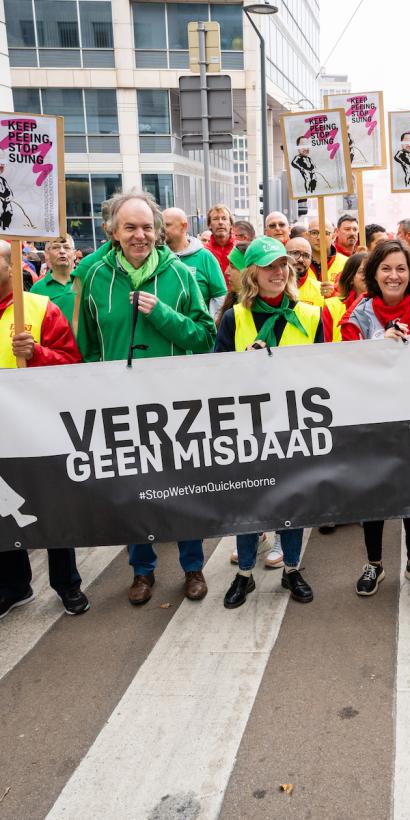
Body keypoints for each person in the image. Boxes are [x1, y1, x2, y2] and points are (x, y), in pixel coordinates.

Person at [79, 191, 216, 605]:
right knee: (135, 491)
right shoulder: (91, 272)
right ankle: (142, 572)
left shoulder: (181, 274)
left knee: (183, 488)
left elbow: (205, 336)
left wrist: (162, 314)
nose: (140, 235)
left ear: (158, 231)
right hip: (119, 405)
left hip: (176, 404)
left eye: (147, 227)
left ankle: (193, 567)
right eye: (130, 227)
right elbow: (86, 346)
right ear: (112, 231)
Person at [214, 236, 322, 607]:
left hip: (295, 427)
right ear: (253, 275)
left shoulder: (310, 315)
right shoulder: (234, 317)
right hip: (249, 427)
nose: (278, 272)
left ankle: (292, 569)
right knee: (248, 501)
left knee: (293, 502)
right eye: (269, 267)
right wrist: (244, 363)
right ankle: (244, 574)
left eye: (282, 266)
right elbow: (217, 376)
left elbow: (325, 375)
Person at [341, 240, 410, 596]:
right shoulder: (355, 317)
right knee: (375, 493)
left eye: (401, 268)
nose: (394, 275)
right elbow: (347, 370)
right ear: (373, 274)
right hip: (372, 420)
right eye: (386, 268)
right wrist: (380, 348)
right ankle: (374, 564)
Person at [0, 239, 90, 618]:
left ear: (11, 265)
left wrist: (36, 353)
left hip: (37, 429)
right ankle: (14, 587)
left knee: (51, 508)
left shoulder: (39, 308)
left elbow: (71, 363)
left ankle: (67, 585)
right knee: (4, 511)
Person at [162, 207, 227, 320]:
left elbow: (220, 298)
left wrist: (211, 329)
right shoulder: (159, 257)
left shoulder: (205, 257)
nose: (162, 230)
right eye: (161, 226)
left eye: (167, 225)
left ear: (184, 226)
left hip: (198, 332)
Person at [30, 235, 77, 324]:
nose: (62, 251)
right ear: (46, 255)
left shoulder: (87, 281)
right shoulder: (37, 289)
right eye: (56, 247)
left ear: (74, 254)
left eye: (67, 247)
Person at [321, 250, 367, 342]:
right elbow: (325, 347)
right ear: (350, 278)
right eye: (362, 271)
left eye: (372, 271)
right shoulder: (332, 307)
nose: (368, 275)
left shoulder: (386, 303)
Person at [286, 235, 326, 306]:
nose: (301, 259)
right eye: (295, 253)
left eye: (306, 256)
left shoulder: (321, 290)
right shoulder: (274, 287)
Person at [306, 216, 339, 290]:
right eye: (314, 233)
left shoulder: (346, 263)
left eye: (325, 233)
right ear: (307, 236)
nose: (319, 237)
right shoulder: (299, 263)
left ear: (333, 236)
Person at [204, 204, 235, 281]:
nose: (220, 222)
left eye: (224, 218)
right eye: (215, 219)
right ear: (209, 225)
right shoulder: (204, 251)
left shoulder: (239, 249)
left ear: (231, 224)